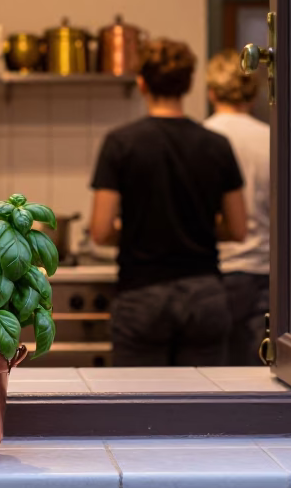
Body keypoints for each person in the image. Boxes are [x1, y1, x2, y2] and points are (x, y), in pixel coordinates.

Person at [89, 38, 246, 367]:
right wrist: (194, 227)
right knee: (202, 407)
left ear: (142, 82)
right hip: (204, 293)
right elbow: (238, 228)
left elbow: (100, 231)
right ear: (189, 85)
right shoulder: (217, 146)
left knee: (136, 407)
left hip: (142, 295)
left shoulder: (120, 143)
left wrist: (139, 230)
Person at [203, 51, 271, 366]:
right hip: (264, 271)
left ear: (211, 92)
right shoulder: (273, 139)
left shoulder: (201, 137)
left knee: (214, 377)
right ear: (254, 93)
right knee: (257, 374)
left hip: (217, 268)